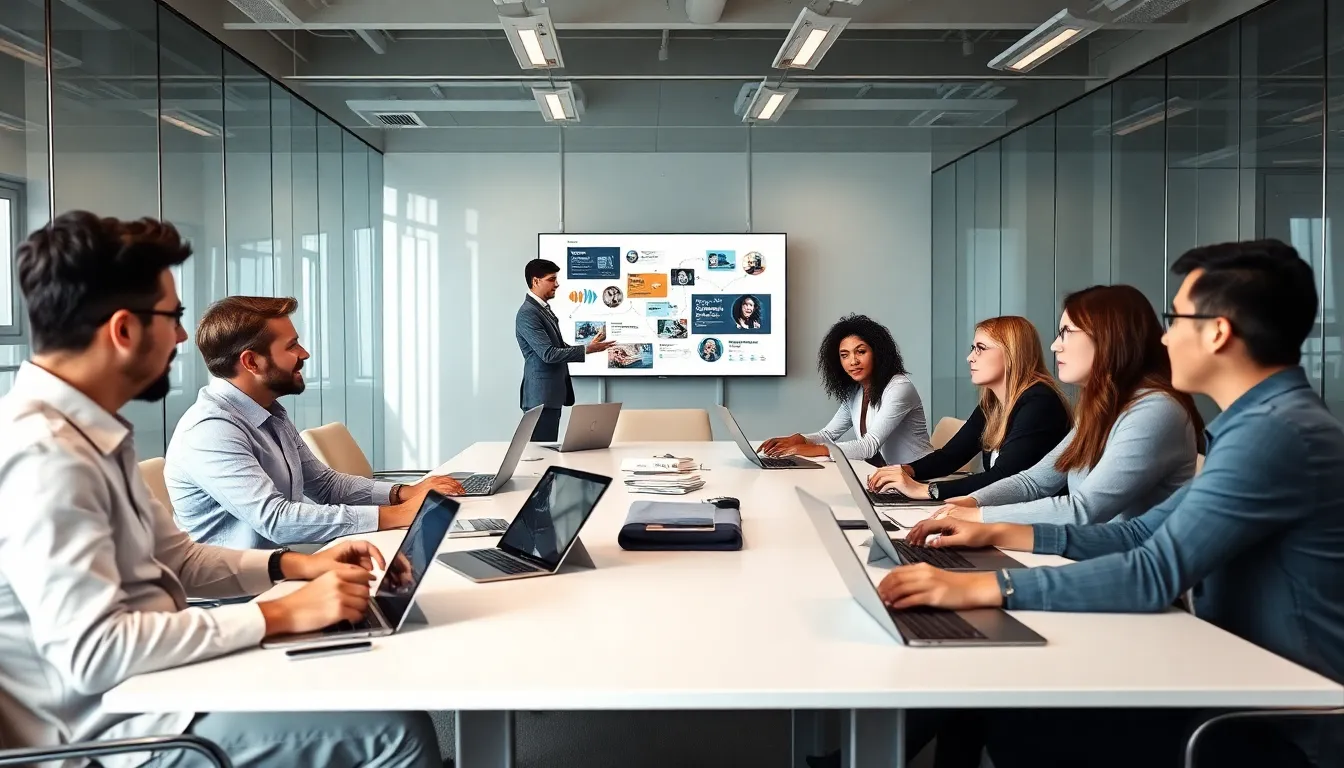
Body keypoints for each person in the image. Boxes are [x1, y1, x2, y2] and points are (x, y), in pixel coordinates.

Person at [0, 211, 440, 768]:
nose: (184, 336)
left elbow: (178, 559)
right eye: (174, 317)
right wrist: (278, 616)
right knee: (393, 731)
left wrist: (295, 568)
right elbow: (94, 654)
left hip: (166, 683)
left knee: (364, 672)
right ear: (124, 330)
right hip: (130, 731)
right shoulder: (44, 454)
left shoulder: (89, 432)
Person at [881, 240, 1344, 768]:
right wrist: (995, 532)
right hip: (1234, 677)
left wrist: (986, 585)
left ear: (1217, 332)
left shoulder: (1275, 433)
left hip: (1281, 724)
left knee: (1015, 715)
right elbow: (1138, 534)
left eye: (1176, 319)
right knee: (995, 693)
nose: (1164, 336)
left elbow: (1153, 571)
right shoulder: (1258, 425)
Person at [164, 297, 463, 550]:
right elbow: (276, 521)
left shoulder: (269, 412)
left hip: (277, 574)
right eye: (292, 346)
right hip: (233, 603)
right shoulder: (210, 430)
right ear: (252, 362)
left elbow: (325, 484)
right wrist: (397, 515)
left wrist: (402, 493)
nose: (304, 353)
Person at [929, 285, 1203, 526]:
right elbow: (1033, 482)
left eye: (1066, 332)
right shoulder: (1100, 410)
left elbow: (1083, 510)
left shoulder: (1154, 410)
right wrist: (970, 503)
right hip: (1092, 559)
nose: (1054, 346)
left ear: (1108, 337)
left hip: (1133, 574)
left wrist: (980, 517)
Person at [868, 316, 1071, 500]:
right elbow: (951, 456)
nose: (970, 357)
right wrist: (906, 471)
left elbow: (1004, 478)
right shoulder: (993, 403)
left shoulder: (1041, 403)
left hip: (1029, 526)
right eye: (973, 348)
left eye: (980, 348)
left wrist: (926, 490)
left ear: (1011, 354)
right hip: (1003, 513)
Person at [761, 314, 932, 466]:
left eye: (861, 352)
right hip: (890, 479)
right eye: (844, 355)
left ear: (878, 353)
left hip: (923, 479)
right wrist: (801, 439)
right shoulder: (856, 391)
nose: (853, 361)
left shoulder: (899, 388)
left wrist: (806, 449)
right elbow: (828, 434)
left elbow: (868, 446)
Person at [517, 258, 615, 442]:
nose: (557, 284)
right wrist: (586, 349)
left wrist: (589, 348)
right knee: (540, 453)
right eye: (552, 279)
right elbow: (549, 354)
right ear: (536, 281)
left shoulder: (542, 310)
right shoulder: (528, 313)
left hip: (550, 395)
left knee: (546, 449)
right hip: (540, 397)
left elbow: (558, 348)